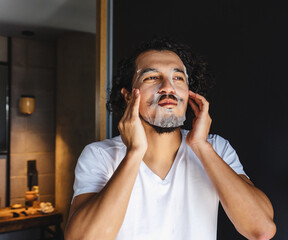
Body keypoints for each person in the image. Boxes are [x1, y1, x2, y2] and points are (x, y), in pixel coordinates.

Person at [64, 36, 276, 240]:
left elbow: (261, 230)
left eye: (178, 78)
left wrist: (200, 146)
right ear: (128, 95)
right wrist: (134, 153)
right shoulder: (99, 156)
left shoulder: (216, 148)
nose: (168, 87)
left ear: (188, 93)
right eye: (152, 77)